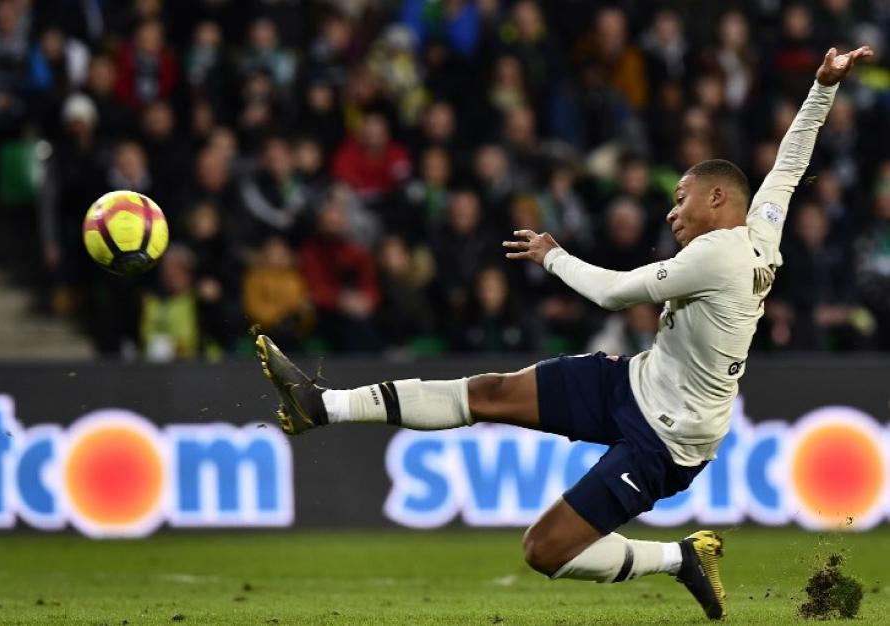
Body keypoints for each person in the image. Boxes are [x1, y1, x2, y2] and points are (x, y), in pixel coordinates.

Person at [254, 47, 872, 621]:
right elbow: (791, 161)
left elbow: (610, 292)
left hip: (667, 441)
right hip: (633, 382)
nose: (670, 211)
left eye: (679, 199)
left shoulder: (718, 259)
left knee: (544, 549)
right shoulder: (761, 228)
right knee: (491, 390)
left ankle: (679, 557)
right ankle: (321, 406)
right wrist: (822, 87)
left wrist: (552, 254)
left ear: (717, 198)